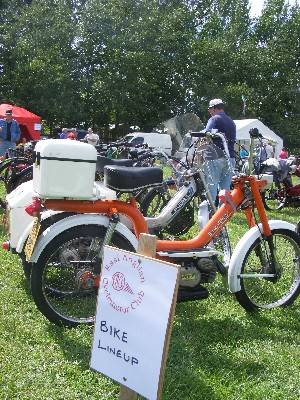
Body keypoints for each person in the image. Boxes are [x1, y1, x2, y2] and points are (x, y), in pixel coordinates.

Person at [204, 98, 236, 202]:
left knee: (211, 186)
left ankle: (209, 214)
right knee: (225, 190)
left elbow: (206, 133)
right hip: (230, 157)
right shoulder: (231, 121)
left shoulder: (214, 119)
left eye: (210, 109)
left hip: (215, 156)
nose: (209, 111)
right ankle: (223, 215)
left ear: (213, 108)